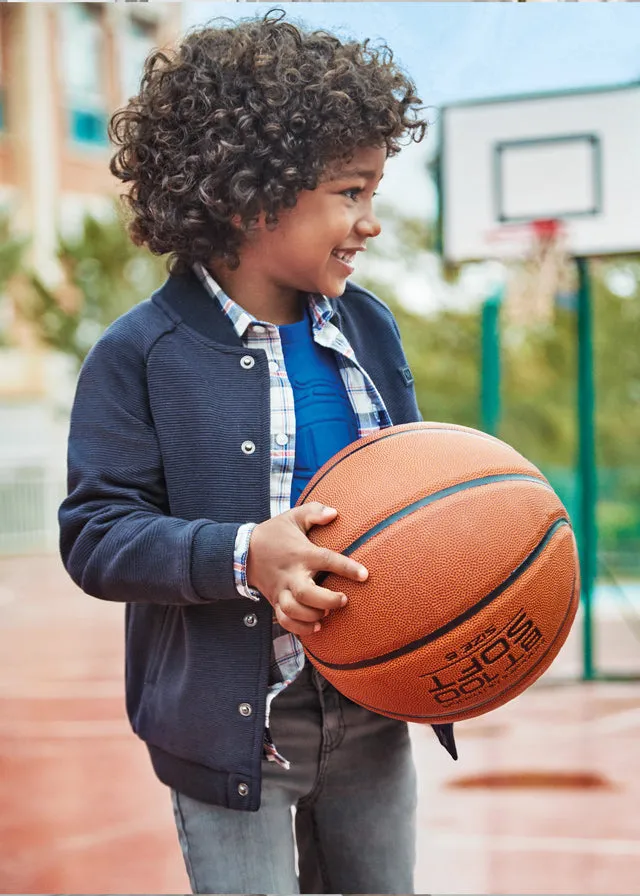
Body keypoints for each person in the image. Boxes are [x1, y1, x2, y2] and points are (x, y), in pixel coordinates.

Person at [59, 10, 457, 895]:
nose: (371, 223)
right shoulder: (140, 355)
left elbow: (416, 493)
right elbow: (96, 533)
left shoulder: (366, 325)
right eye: (351, 193)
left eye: (374, 193)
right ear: (253, 196)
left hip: (371, 704)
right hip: (233, 727)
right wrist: (245, 554)